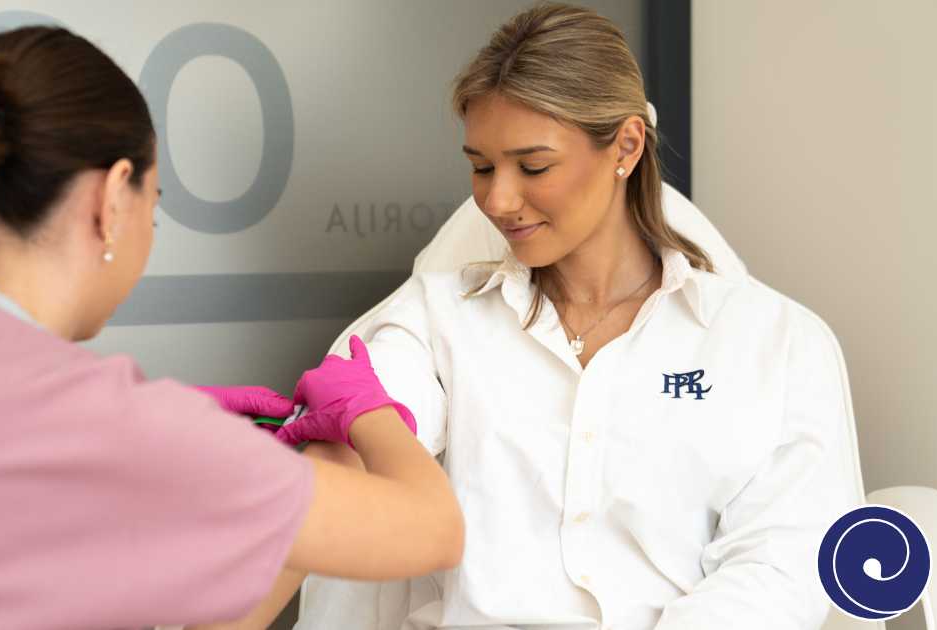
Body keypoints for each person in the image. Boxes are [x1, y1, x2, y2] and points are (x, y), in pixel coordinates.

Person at [0, 26, 462, 629]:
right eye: (155, 199)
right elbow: (434, 531)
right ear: (111, 196)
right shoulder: (119, 430)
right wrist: (365, 408)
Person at [286, 4, 859, 629]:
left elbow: (781, 565)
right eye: (481, 167)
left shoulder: (777, 344)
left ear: (626, 146)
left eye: (533, 167)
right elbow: (353, 454)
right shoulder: (436, 318)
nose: (497, 200)